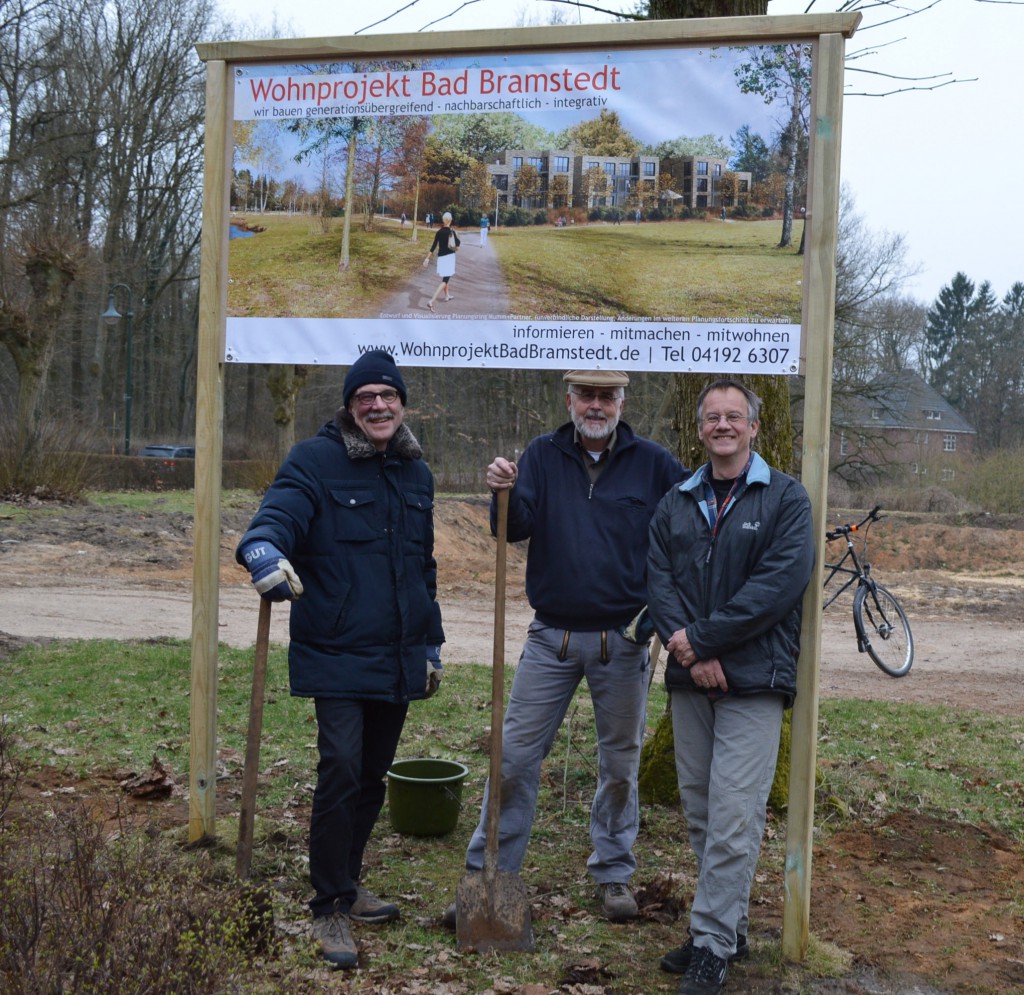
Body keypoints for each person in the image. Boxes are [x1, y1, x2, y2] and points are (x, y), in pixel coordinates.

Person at [443, 370, 687, 927]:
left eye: (607, 397)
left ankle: (613, 871)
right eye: (587, 396)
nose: (596, 406)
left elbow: (685, 532)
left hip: (622, 642)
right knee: (513, 759)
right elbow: (513, 528)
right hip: (550, 638)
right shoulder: (541, 454)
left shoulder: (654, 464)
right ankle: (489, 875)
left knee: (620, 766)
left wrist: (664, 605)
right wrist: (502, 491)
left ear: (622, 402)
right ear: (570, 401)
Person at [236, 349, 445, 970]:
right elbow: (275, 517)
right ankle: (327, 902)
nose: (378, 406)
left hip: (398, 651)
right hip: (336, 648)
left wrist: (430, 643)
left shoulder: (416, 472)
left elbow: (422, 567)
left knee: (373, 775)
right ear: (350, 407)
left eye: (388, 396)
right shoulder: (314, 460)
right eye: (365, 398)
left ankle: (348, 884)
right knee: (342, 768)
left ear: (402, 404)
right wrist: (263, 552)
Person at [645, 378, 814, 995]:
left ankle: (711, 944)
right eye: (712, 417)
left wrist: (703, 641)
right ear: (700, 429)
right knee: (700, 810)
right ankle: (730, 928)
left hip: (754, 682)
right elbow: (659, 580)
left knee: (734, 815)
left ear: (753, 428)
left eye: (734, 416)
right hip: (691, 680)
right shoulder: (676, 501)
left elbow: (776, 588)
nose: (722, 425)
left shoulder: (786, 499)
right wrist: (689, 650)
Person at [422, 211, 460, 310]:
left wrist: (427, 258)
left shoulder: (439, 232)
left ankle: (447, 295)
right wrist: (456, 234)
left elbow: (433, 247)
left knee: (445, 277)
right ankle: (431, 301)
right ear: (450, 220)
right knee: (445, 280)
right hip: (449, 258)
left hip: (441, 259)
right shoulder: (452, 232)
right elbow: (458, 245)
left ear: (444, 220)